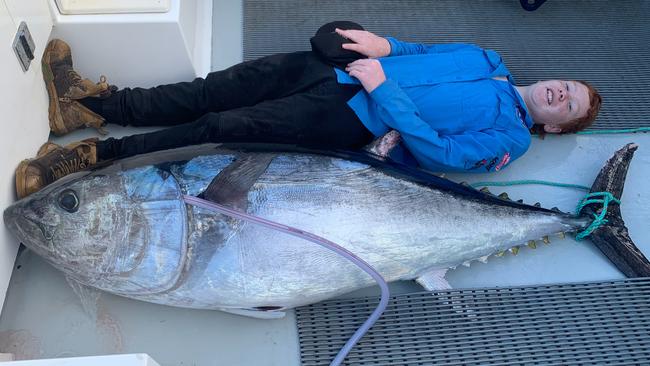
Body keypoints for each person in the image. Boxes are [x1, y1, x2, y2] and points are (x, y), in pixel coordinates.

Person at [15, 22, 602, 198]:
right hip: (332, 71)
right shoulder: (485, 56)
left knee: (218, 129)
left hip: (350, 120)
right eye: (565, 85)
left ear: (555, 126)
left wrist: (383, 87)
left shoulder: (512, 138)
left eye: (567, 104)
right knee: (212, 89)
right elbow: (423, 51)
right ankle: (87, 105)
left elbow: (440, 155)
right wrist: (385, 48)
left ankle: (86, 161)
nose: (558, 92)